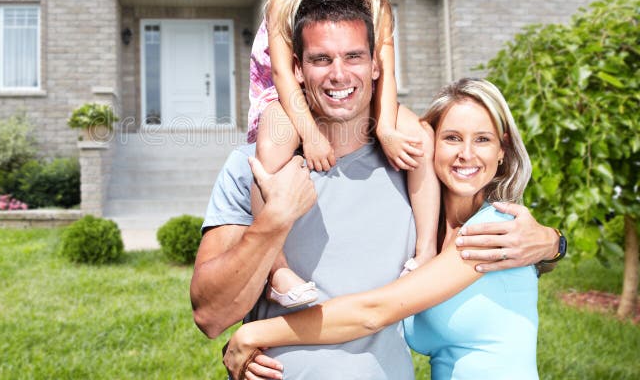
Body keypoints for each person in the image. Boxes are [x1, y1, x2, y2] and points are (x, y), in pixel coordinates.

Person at [190, 0, 563, 379]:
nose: (338, 74)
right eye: (321, 59)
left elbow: (461, 232)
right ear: (297, 68)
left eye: (354, 56)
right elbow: (211, 317)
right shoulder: (254, 169)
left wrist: (552, 242)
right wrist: (274, 220)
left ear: (375, 65)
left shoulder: (411, 168)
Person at [223, 78, 544, 380]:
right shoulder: (427, 234)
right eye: (452, 137)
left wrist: (254, 334)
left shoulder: (492, 230)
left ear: (502, 151)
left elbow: (373, 312)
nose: (467, 154)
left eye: (483, 140)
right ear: (430, 142)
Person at [247, 0, 439, 308]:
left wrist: (387, 129)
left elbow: (384, 73)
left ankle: (426, 249)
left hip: (356, 98)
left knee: (420, 138)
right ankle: (277, 268)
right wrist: (310, 135)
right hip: (289, 98)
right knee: (272, 148)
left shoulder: (376, 3)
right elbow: (281, 73)